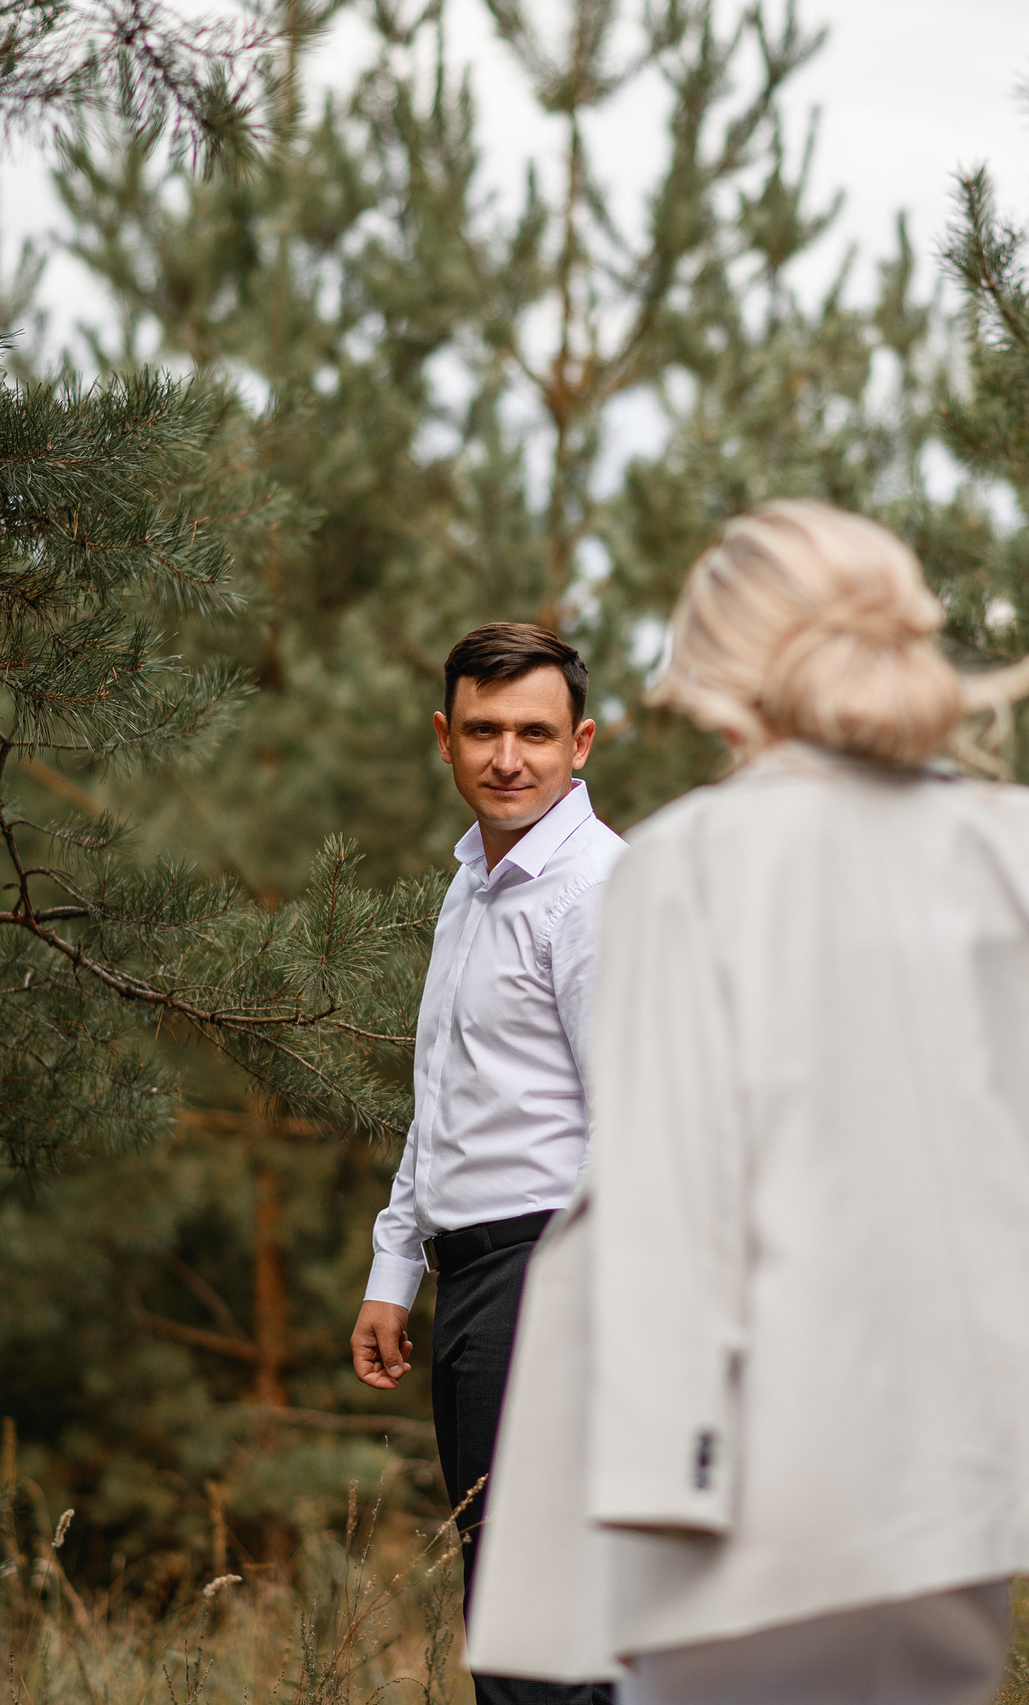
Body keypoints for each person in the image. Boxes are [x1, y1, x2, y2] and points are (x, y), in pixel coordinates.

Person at [465, 502, 1029, 1705]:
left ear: (725, 674)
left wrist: (650, 1498)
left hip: (757, 1475)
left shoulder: (686, 865)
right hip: (963, 1475)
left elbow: (662, 1205)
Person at [351, 622, 624, 1705]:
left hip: (551, 1272)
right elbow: (442, 1094)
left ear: (581, 744)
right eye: (482, 731)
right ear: (444, 738)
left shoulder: (598, 890)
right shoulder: (471, 882)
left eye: (534, 732)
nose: (507, 756)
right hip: (474, 1281)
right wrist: (395, 1268)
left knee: (533, 1630)